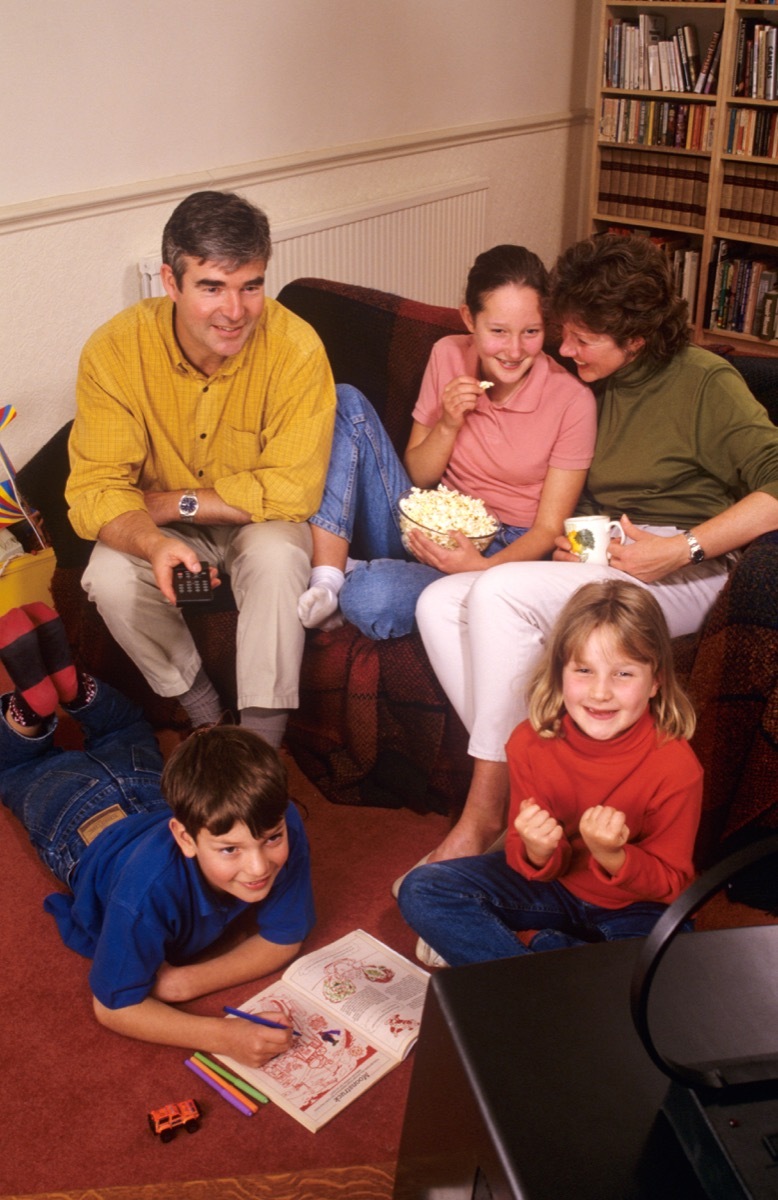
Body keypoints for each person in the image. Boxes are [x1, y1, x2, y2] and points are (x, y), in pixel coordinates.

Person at [410, 232, 778, 870]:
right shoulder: (584, 380)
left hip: (686, 564)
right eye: (564, 331)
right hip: (603, 555)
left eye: (581, 339)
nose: (562, 347)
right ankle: (546, 783)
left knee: (495, 590)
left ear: (634, 339)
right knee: (439, 603)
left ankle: (486, 818)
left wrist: (682, 549)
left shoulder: (705, 382)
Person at [66, 190, 337, 748]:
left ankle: (259, 746)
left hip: (257, 522)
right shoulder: (114, 351)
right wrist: (155, 541)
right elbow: (95, 490)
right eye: (211, 287)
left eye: (250, 286)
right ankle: (207, 715)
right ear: (171, 281)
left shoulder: (298, 348)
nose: (234, 311)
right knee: (107, 577)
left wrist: (176, 500)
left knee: (278, 556)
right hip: (163, 522)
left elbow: (295, 488)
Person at [0, 603, 314, 1066]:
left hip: (149, 795)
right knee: (19, 767)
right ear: (186, 839)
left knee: (125, 728)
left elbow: (288, 936)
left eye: (270, 839)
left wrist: (185, 982)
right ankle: (40, 703)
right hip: (79, 826)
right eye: (230, 849)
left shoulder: (281, 817)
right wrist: (220, 1035)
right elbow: (113, 1006)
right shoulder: (143, 892)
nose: (259, 866)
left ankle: (59, 696)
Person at [297, 244, 596, 640]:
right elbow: (418, 477)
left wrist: (480, 568)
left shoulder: (573, 401)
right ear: (470, 318)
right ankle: (330, 577)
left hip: (503, 551)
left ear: (548, 326)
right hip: (424, 521)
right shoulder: (447, 354)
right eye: (498, 331)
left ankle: (364, 577)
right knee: (346, 400)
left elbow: (547, 529)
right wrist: (448, 424)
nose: (514, 350)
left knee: (372, 598)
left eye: (531, 332)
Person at [398, 580, 702, 967]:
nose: (600, 692)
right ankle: (538, 972)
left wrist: (614, 855)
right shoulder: (529, 743)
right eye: (584, 670)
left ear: (656, 680)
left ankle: (545, 960)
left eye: (623, 674)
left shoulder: (676, 765)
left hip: (639, 910)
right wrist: (538, 851)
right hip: (555, 891)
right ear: (560, 672)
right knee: (423, 888)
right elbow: (520, 857)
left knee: (662, 977)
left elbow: (672, 883)